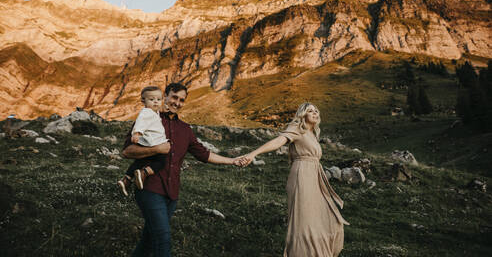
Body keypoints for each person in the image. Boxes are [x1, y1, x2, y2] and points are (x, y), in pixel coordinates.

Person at [122, 82, 241, 257]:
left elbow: (204, 154)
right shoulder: (148, 118)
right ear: (166, 97)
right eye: (174, 97)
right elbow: (127, 151)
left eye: (181, 100)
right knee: (163, 239)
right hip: (149, 189)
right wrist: (157, 149)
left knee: (149, 239)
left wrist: (232, 161)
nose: (177, 103)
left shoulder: (185, 130)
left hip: (172, 195)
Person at [238, 103, 349, 257]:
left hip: (315, 176)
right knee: (304, 222)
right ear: (302, 115)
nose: (315, 113)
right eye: (310, 111)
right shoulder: (297, 128)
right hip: (302, 175)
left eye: (316, 110)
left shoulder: (313, 134)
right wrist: (253, 154)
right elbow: (278, 142)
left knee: (328, 217)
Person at [117, 86, 170, 196]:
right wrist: (137, 133)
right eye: (151, 99)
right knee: (161, 161)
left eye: (159, 99)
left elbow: (157, 113)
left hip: (150, 141)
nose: (156, 102)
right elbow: (140, 123)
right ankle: (144, 173)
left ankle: (126, 180)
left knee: (140, 161)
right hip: (152, 142)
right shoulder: (146, 112)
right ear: (143, 101)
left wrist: (164, 108)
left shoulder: (153, 111)